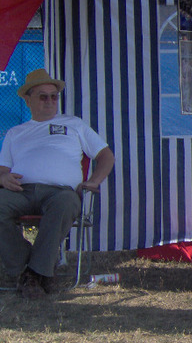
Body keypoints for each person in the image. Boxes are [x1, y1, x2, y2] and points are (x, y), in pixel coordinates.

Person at [0, 69, 115, 298]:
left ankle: (32, 274)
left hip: (60, 193)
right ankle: (32, 269)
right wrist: (2, 178)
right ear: (28, 99)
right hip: (21, 190)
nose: (50, 101)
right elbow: (3, 170)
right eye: (43, 96)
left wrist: (93, 180)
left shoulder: (74, 124)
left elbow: (106, 156)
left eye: (54, 96)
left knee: (63, 204)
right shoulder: (15, 133)